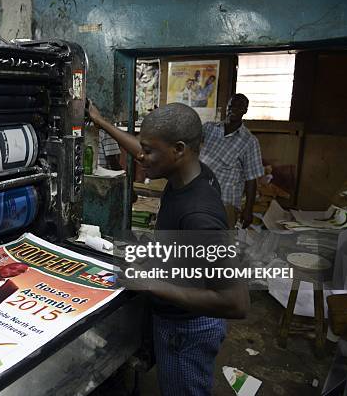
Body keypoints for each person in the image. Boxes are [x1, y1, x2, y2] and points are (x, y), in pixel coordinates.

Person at [88, 101, 249, 396]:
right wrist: (100, 121)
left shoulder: (199, 216)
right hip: (177, 319)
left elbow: (235, 302)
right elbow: (138, 149)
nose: (141, 156)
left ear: (178, 149)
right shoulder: (193, 173)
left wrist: (149, 284)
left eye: (149, 151)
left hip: (187, 331)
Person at [200, 94, 264, 228]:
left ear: (245, 110)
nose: (233, 109)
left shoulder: (249, 141)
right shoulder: (209, 128)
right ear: (227, 107)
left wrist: (248, 210)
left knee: (221, 243)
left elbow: (251, 179)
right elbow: (187, 139)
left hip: (225, 203)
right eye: (231, 105)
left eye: (239, 107)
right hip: (200, 196)